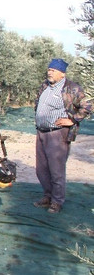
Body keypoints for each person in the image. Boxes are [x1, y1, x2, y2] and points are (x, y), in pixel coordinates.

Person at [33, 58, 92, 214]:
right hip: (41, 132)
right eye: (49, 69)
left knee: (56, 170)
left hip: (57, 135)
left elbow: (88, 106)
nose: (49, 72)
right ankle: (47, 196)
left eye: (53, 70)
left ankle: (57, 201)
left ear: (62, 73)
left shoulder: (71, 88)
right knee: (41, 169)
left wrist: (71, 119)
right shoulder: (45, 85)